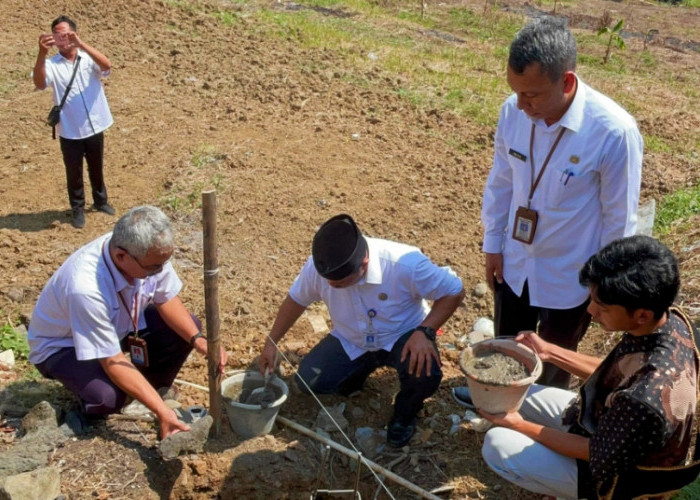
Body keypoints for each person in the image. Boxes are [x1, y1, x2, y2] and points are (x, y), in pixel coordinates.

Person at [480, 16, 643, 388]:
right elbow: (501, 181)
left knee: (553, 363)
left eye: (532, 95)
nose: (521, 105)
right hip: (515, 262)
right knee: (507, 346)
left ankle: (539, 426)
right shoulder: (512, 111)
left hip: (569, 277)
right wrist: (493, 243)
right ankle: (498, 399)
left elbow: (619, 220)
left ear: (567, 82)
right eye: (516, 91)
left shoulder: (613, 133)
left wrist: (601, 288)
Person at [477, 235, 698, 499]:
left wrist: (519, 425)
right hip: (612, 424)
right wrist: (549, 351)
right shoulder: (671, 322)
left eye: (602, 306)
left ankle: (572, 492)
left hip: (618, 477)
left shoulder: (645, 399)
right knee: (521, 395)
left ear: (641, 314)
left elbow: (593, 451)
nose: (591, 310)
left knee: (497, 445)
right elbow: (619, 373)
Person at [258, 214, 464, 447]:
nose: (330, 286)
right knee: (310, 382)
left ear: (363, 265)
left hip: (403, 336)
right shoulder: (320, 269)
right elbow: (296, 300)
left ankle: (405, 414)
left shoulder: (404, 264)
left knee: (425, 373)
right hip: (351, 339)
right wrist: (271, 342)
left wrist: (425, 331)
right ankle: (359, 371)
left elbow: (454, 290)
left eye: (337, 284)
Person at [28, 206, 227, 439]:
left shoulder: (149, 254)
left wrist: (198, 340)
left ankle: (147, 392)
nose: (160, 271)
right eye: (153, 267)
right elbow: (112, 359)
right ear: (121, 256)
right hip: (64, 347)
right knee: (109, 397)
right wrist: (162, 412)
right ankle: (93, 405)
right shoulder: (85, 287)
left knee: (185, 328)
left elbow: (166, 298)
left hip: (118, 328)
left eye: (163, 264)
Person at [33, 15, 115, 229]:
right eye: (58, 35)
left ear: (74, 33)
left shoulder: (87, 58)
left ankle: (101, 201)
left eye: (67, 34)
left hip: (95, 123)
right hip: (70, 128)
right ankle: (77, 209)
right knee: (74, 171)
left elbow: (107, 66)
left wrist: (81, 44)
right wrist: (41, 54)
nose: (63, 38)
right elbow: (40, 84)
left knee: (96, 166)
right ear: (53, 39)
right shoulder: (51, 64)